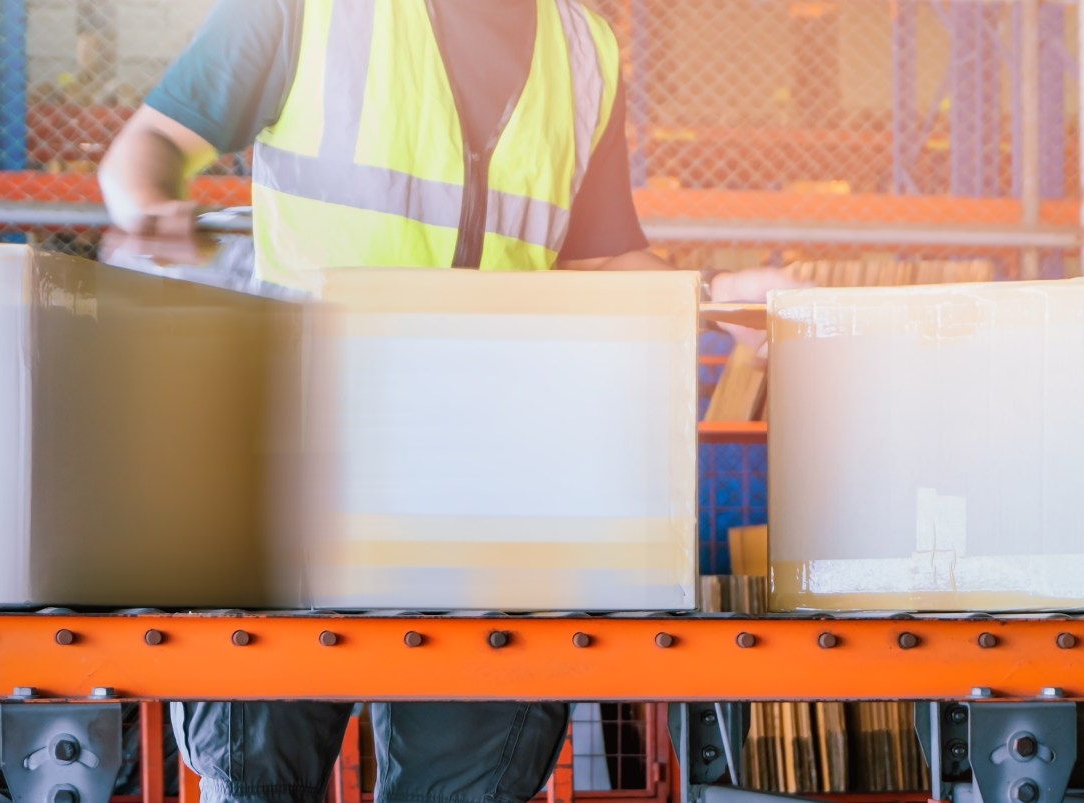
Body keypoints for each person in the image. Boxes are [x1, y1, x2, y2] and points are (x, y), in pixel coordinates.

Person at [99, 3, 793, 803]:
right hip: (302, 476)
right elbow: (147, 146)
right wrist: (147, 204)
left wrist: (718, 296)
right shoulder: (308, 11)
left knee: (469, 778)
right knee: (259, 769)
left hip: (482, 488)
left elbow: (600, 258)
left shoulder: (583, 46)